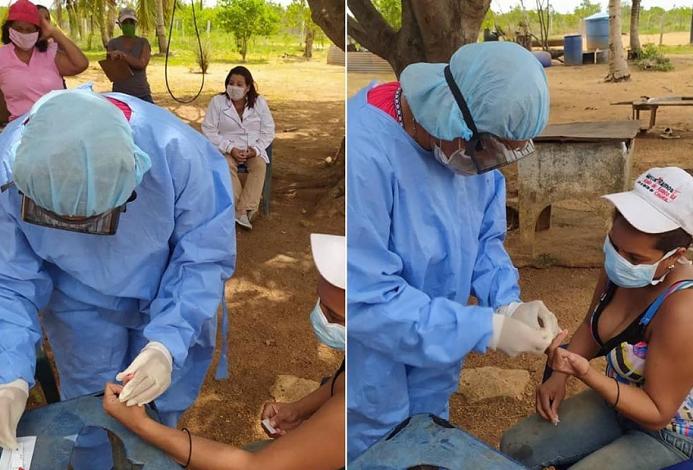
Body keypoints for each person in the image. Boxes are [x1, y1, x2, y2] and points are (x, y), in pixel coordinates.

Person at [346, 41, 561, 462]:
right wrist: (488, 329)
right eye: (491, 148)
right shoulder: (367, 151)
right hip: (375, 351)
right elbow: (369, 296)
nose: (491, 165)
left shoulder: (474, 152)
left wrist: (508, 303)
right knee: (376, 443)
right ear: (452, 119)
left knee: (426, 435)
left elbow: (484, 240)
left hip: (439, 343)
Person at [0, 89, 236, 469]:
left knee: (156, 401)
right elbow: (7, 281)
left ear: (136, 175)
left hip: (166, 293)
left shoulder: (175, 152)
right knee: (88, 404)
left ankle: (156, 453)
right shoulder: (10, 164)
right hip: (79, 305)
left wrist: (165, 344)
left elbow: (202, 258)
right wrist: (9, 376)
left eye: (91, 220)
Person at [500, 167, 693, 470]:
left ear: (674, 255)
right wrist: (560, 376)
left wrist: (587, 374)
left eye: (635, 259)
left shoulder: (683, 308)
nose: (620, 260)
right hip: (616, 405)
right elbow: (592, 328)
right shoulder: (620, 270)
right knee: (514, 446)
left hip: (667, 433)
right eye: (615, 246)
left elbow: (658, 412)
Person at [104, 233, 345, 470]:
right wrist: (299, 409)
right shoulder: (372, 349)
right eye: (321, 304)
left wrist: (144, 426)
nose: (321, 318)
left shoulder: (361, 406)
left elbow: (254, 467)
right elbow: (347, 379)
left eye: (334, 316)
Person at [202, 66, 275, 230]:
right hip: (227, 149)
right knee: (226, 165)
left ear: (248, 87)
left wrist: (255, 149)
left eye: (239, 84)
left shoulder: (259, 103)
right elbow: (209, 130)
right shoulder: (218, 102)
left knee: (259, 166)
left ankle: (240, 209)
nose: (234, 87)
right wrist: (229, 148)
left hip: (252, 148)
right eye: (231, 83)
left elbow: (268, 130)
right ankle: (243, 211)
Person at [0, 0, 88, 120]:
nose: (24, 33)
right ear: (9, 29)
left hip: (59, 123)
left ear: (38, 31)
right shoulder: (2, 56)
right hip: (22, 128)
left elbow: (81, 64)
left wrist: (54, 32)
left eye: (29, 30)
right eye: (19, 29)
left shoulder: (49, 53)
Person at [106, 8, 153, 103]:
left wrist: (123, 55)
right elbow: (112, 72)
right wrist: (111, 58)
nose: (128, 25)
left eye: (131, 22)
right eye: (125, 23)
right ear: (120, 25)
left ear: (135, 24)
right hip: (120, 95)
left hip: (142, 94)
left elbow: (141, 64)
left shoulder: (143, 42)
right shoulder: (113, 43)